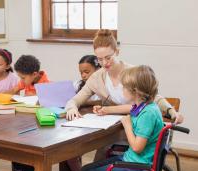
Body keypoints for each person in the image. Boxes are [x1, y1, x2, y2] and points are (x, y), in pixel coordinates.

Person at [54, 65, 164, 171]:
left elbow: (137, 146)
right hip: (134, 161)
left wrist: (127, 125)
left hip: (136, 167)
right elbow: (128, 109)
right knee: (84, 170)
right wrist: (107, 110)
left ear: (135, 91)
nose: (121, 90)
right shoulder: (144, 106)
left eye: (124, 87)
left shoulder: (147, 115)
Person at [65, 29, 183, 161]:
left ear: (117, 52)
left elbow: (154, 97)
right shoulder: (96, 78)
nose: (104, 63)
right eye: (100, 60)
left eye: (108, 58)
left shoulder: (132, 73)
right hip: (113, 130)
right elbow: (75, 100)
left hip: (135, 132)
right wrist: (72, 108)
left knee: (101, 161)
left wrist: (171, 111)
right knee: (94, 158)